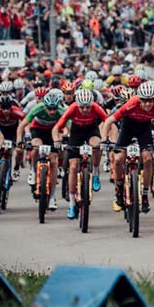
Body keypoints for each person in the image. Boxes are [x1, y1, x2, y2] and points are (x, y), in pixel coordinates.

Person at [101, 80, 154, 214]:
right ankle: (119, 188)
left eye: (150, 100)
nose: (147, 104)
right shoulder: (131, 104)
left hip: (144, 129)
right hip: (127, 127)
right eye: (144, 100)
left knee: (147, 159)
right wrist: (104, 139)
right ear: (139, 99)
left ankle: (145, 194)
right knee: (118, 159)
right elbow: (109, 121)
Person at [53, 88, 109, 220]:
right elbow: (57, 127)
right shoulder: (72, 108)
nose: (85, 110)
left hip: (91, 129)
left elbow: (108, 122)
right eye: (82, 107)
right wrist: (56, 139)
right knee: (73, 167)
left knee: (97, 144)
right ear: (78, 104)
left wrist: (107, 139)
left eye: (87, 107)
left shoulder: (96, 107)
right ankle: (72, 203)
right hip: (76, 133)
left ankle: (95, 172)